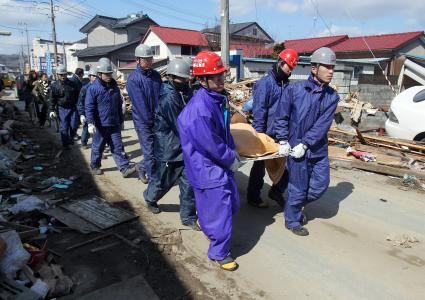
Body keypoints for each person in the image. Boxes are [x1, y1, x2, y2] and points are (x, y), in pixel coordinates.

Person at [177, 51, 242, 271]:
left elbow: (222, 133)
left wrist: (232, 150)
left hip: (215, 162)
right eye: (215, 76)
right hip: (206, 166)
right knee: (220, 209)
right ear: (202, 80)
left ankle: (208, 227)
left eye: (222, 74)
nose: (221, 79)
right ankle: (219, 252)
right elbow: (212, 144)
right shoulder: (199, 110)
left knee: (227, 204)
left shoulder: (216, 99)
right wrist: (231, 157)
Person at [274, 47, 339, 236]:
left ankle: (292, 206)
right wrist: (283, 140)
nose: (331, 71)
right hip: (295, 149)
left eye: (332, 67)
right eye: (326, 67)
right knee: (298, 187)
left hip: (316, 150)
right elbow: (281, 116)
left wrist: (306, 144)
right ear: (314, 68)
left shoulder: (332, 96)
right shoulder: (294, 90)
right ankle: (292, 220)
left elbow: (322, 125)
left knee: (320, 186)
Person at [143, 59, 199, 230]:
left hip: (185, 146)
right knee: (164, 181)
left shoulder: (186, 91)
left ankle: (188, 216)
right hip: (169, 146)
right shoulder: (168, 97)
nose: (186, 81)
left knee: (188, 183)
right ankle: (150, 197)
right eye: (182, 79)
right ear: (172, 77)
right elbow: (180, 124)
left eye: (187, 78)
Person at [247, 48, 299, 209]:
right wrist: (259, 135)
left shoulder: (287, 85)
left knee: (288, 165)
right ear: (280, 63)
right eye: (288, 67)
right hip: (266, 133)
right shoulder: (265, 83)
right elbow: (259, 110)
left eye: (292, 69)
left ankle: (276, 190)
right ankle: (253, 197)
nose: (289, 71)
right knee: (259, 167)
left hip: (281, 133)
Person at [85, 58, 136, 177]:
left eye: (109, 73)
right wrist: (90, 122)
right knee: (98, 148)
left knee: (118, 147)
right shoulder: (93, 89)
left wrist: (121, 120)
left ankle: (124, 168)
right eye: (106, 74)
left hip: (114, 124)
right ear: (99, 74)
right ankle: (95, 165)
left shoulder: (114, 88)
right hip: (100, 125)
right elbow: (89, 107)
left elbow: (119, 105)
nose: (108, 76)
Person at [126, 44, 162, 184]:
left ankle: (141, 167)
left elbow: (161, 96)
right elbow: (140, 105)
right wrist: (150, 121)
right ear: (137, 60)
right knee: (149, 152)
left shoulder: (156, 76)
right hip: (143, 121)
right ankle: (154, 181)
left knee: (157, 150)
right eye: (145, 59)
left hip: (157, 119)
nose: (149, 61)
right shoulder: (133, 79)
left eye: (150, 59)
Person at [49, 65, 79, 150]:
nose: (63, 76)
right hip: (62, 108)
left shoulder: (72, 84)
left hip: (72, 107)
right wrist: (51, 110)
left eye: (64, 74)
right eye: (61, 74)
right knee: (64, 127)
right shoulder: (54, 86)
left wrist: (79, 108)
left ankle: (71, 138)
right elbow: (52, 99)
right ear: (57, 75)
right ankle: (65, 144)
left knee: (74, 125)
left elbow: (78, 97)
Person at [77, 68, 97, 148]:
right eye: (93, 76)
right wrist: (81, 114)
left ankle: (98, 147)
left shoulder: (100, 87)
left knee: (98, 130)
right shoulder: (85, 88)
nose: (95, 78)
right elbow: (80, 101)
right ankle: (83, 141)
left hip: (97, 112)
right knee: (86, 128)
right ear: (89, 77)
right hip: (87, 111)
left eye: (96, 76)